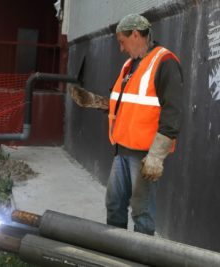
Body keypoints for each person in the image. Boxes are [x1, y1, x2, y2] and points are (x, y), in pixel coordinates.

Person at [71, 14, 183, 235]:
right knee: (114, 205)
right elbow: (124, 104)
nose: (121, 48)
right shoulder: (130, 65)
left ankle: (139, 257)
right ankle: (116, 253)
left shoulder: (165, 62)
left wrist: (156, 156)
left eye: (122, 41)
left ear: (135, 34)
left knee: (142, 212)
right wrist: (93, 101)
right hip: (122, 151)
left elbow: (173, 112)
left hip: (144, 156)